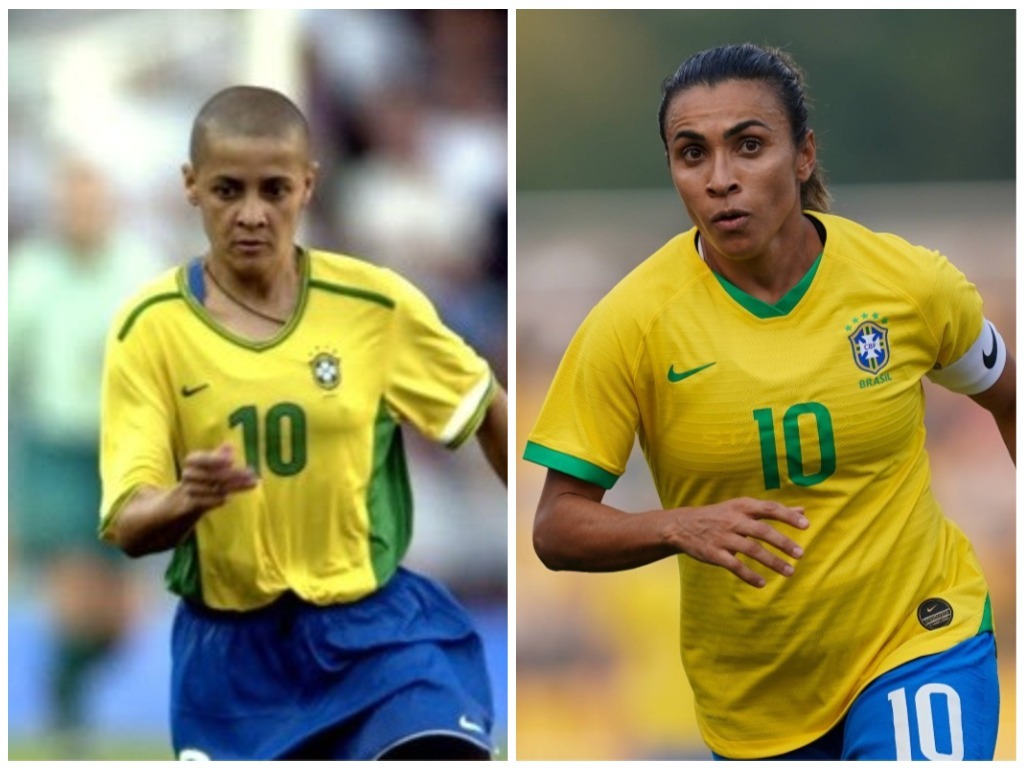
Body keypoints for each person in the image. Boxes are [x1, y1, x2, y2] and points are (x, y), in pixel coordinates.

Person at [523, 43, 1014, 761]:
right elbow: (556, 528)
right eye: (693, 155)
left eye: (748, 146)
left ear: (804, 155)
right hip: (756, 704)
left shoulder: (908, 285)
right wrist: (676, 527)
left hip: (920, 637)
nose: (721, 179)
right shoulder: (629, 326)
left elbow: (1009, 393)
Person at [98, 85, 508, 761]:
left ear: (308, 186)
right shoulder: (150, 331)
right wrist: (184, 499)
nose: (253, 214)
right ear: (191, 186)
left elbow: (482, 403)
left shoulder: (373, 306)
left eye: (274, 190)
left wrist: (543, 512)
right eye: (229, 190)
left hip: (376, 634)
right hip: (233, 661)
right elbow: (126, 521)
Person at [9, 155, 161, 753]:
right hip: (54, 447)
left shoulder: (138, 269)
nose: (82, 213)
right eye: (71, 202)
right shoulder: (31, 273)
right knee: (76, 592)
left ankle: (64, 686)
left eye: (92, 201)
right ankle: (67, 724)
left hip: (120, 451)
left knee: (123, 621)